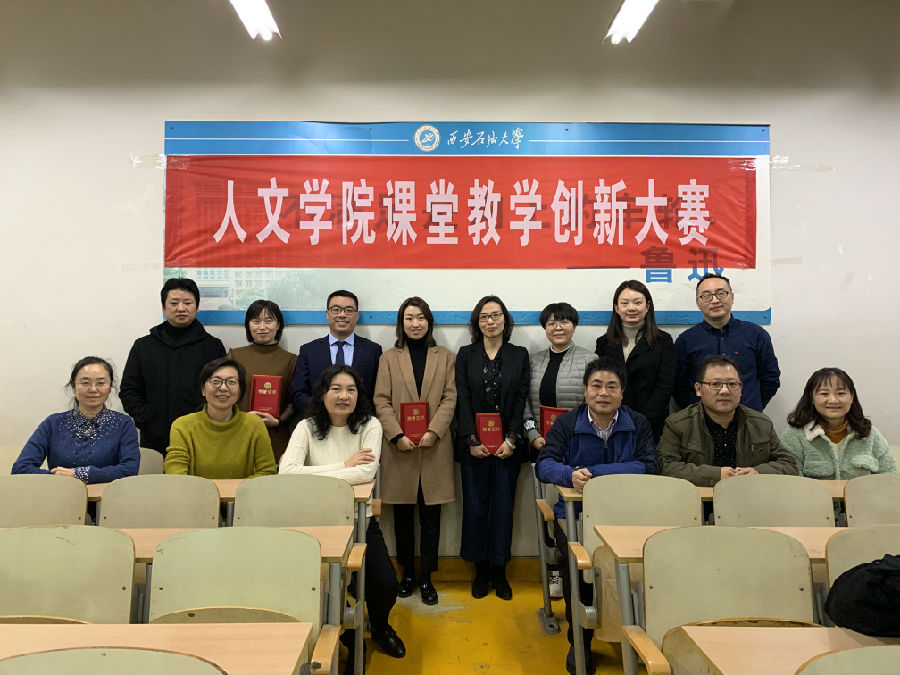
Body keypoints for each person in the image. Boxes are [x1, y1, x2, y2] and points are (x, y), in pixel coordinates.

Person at [535, 356, 656, 675]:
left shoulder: (637, 423)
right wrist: (569, 475)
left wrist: (595, 473)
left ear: (622, 392)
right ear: (585, 390)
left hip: (629, 514)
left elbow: (649, 464)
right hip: (575, 516)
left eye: (612, 387)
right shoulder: (567, 423)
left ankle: (641, 635)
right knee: (580, 569)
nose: (604, 393)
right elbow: (544, 464)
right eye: (596, 386)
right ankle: (580, 641)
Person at [280, 365, 405, 664]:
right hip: (315, 522)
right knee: (320, 585)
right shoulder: (305, 427)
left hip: (360, 521)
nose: (343, 396)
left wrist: (320, 473)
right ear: (323, 394)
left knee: (386, 583)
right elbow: (287, 472)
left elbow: (366, 472)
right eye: (335, 389)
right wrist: (344, 466)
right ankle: (346, 633)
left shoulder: (370, 425)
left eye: (351, 390)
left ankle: (380, 626)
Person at [373, 297, 457, 606]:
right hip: (400, 449)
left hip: (435, 447)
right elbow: (381, 400)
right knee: (403, 517)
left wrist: (434, 431)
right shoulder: (388, 358)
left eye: (420, 317)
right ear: (402, 323)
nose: (415, 324)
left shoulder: (444, 356)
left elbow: (450, 397)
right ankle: (407, 573)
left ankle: (427, 578)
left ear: (429, 321)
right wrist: (396, 434)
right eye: (409, 318)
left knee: (431, 518)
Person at [455, 295, 530, 601]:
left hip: (507, 447)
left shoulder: (519, 354)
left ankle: (500, 571)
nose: (490, 321)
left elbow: (521, 397)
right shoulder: (465, 354)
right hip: (474, 447)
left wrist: (512, 438)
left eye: (495, 315)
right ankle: (480, 571)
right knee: (475, 509)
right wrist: (471, 439)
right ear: (477, 322)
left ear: (505, 320)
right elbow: (462, 398)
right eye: (484, 316)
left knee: (502, 509)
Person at [522, 301, 593, 599]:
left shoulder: (590, 360)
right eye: (552, 323)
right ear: (545, 328)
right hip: (542, 448)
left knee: (573, 512)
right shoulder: (534, 361)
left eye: (564, 322)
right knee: (547, 510)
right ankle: (555, 571)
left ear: (574, 325)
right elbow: (525, 404)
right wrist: (532, 434)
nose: (558, 327)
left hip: (577, 449)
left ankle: (577, 572)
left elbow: (593, 406)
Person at [120, 278, 225, 453]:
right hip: (155, 438)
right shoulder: (143, 346)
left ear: (197, 307)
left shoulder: (212, 347)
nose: (181, 308)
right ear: (163, 307)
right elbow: (129, 390)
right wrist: (147, 419)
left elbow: (220, 389)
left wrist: (208, 419)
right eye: (174, 303)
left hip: (202, 434)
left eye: (188, 303)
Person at [658, 354, 797, 486]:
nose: (725, 391)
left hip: (748, 497)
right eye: (715, 384)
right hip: (699, 499)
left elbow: (789, 464)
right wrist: (715, 475)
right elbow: (665, 466)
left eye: (732, 384)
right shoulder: (678, 424)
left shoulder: (761, 424)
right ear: (698, 389)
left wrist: (758, 472)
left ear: (740, 389)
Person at [13, 356, 140, 483]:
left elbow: (129, 470)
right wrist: (59, 477)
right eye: (85, 383)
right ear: (74, 387)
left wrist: (78, 474)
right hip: (61, 492)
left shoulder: (124, 424)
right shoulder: (53, 423)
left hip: (107, 494)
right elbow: (20, 469)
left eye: (101, 383)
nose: (93, 389)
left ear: (110, 387)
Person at [674, 273, 780, 412]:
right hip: (701, 419)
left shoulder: (756, 334)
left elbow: (771, 378)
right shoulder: (686, 340)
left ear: (732, 297)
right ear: (698, 303)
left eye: (721, 293)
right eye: (706, 295)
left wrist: (752, 406)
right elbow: (679, 386)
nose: (715, 300)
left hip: (748, 417)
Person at [163, 357, 276, 478]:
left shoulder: (255, 424)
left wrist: (235, 488)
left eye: (231, 382)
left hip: (241, 491)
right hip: (195, 490)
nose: (223, 388)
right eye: (215, 381)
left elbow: (267, 472)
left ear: (240, 391)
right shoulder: (182, 425)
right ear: (203, 389)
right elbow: (176, 474)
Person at [781, 367, 897, 479]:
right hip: (813, 494)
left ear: (852, 397)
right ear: (812, 398)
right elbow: (792, 482)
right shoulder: (794, 435)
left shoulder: (870, 434)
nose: (833, 400)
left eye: (841, 393)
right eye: (824, 394)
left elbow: (889, 478)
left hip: (862, 494)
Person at [595, 280, 675, 441]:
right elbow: (600, 384)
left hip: (651, 423)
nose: (631, 308)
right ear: (617, 308)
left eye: (637, 302)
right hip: (611, 422)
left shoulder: (663, 341)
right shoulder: (604, 343)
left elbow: (665, 386)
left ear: (647, 306)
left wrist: (642, 421)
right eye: (625, 303)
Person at [290, 290, 382, 413]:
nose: (342, 315)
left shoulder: (373, 351)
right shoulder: (308, 351)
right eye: (336, 309)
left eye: (349, 310)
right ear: (327, 314)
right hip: (318, 419)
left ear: (357, 316)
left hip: (360, 420)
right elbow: (298, 393)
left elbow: (378, 394)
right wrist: (324, 412)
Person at [228, 299, 297, 462]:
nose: (262, 327)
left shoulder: (291, 360)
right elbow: (223, 394)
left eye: (269, 320)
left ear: (278, 325)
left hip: (276, 435)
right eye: (256, 321)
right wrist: (240, 418)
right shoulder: (235, 356)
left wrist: (278, 420)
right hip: (238, 432)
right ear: (248, 325)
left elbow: (295, 400)